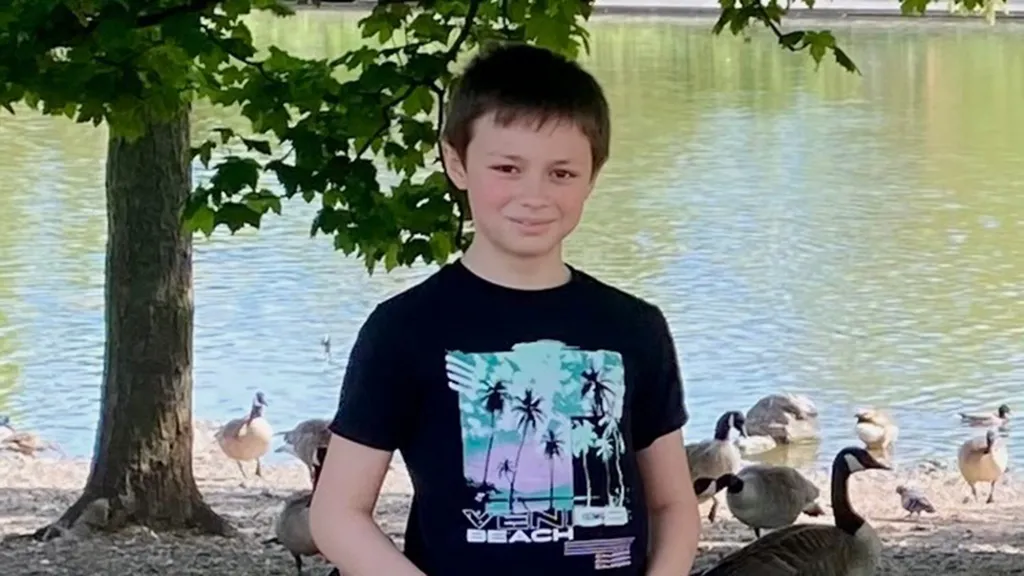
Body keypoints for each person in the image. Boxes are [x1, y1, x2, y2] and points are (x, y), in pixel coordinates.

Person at [309, 41, 701, 576]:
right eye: (508, 168)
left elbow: (672, 505)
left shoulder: (635, 328)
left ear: (593, 175)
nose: (534, 195)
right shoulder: (405, 328)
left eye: (561, 173)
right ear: (456, 161)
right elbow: (337, 514)